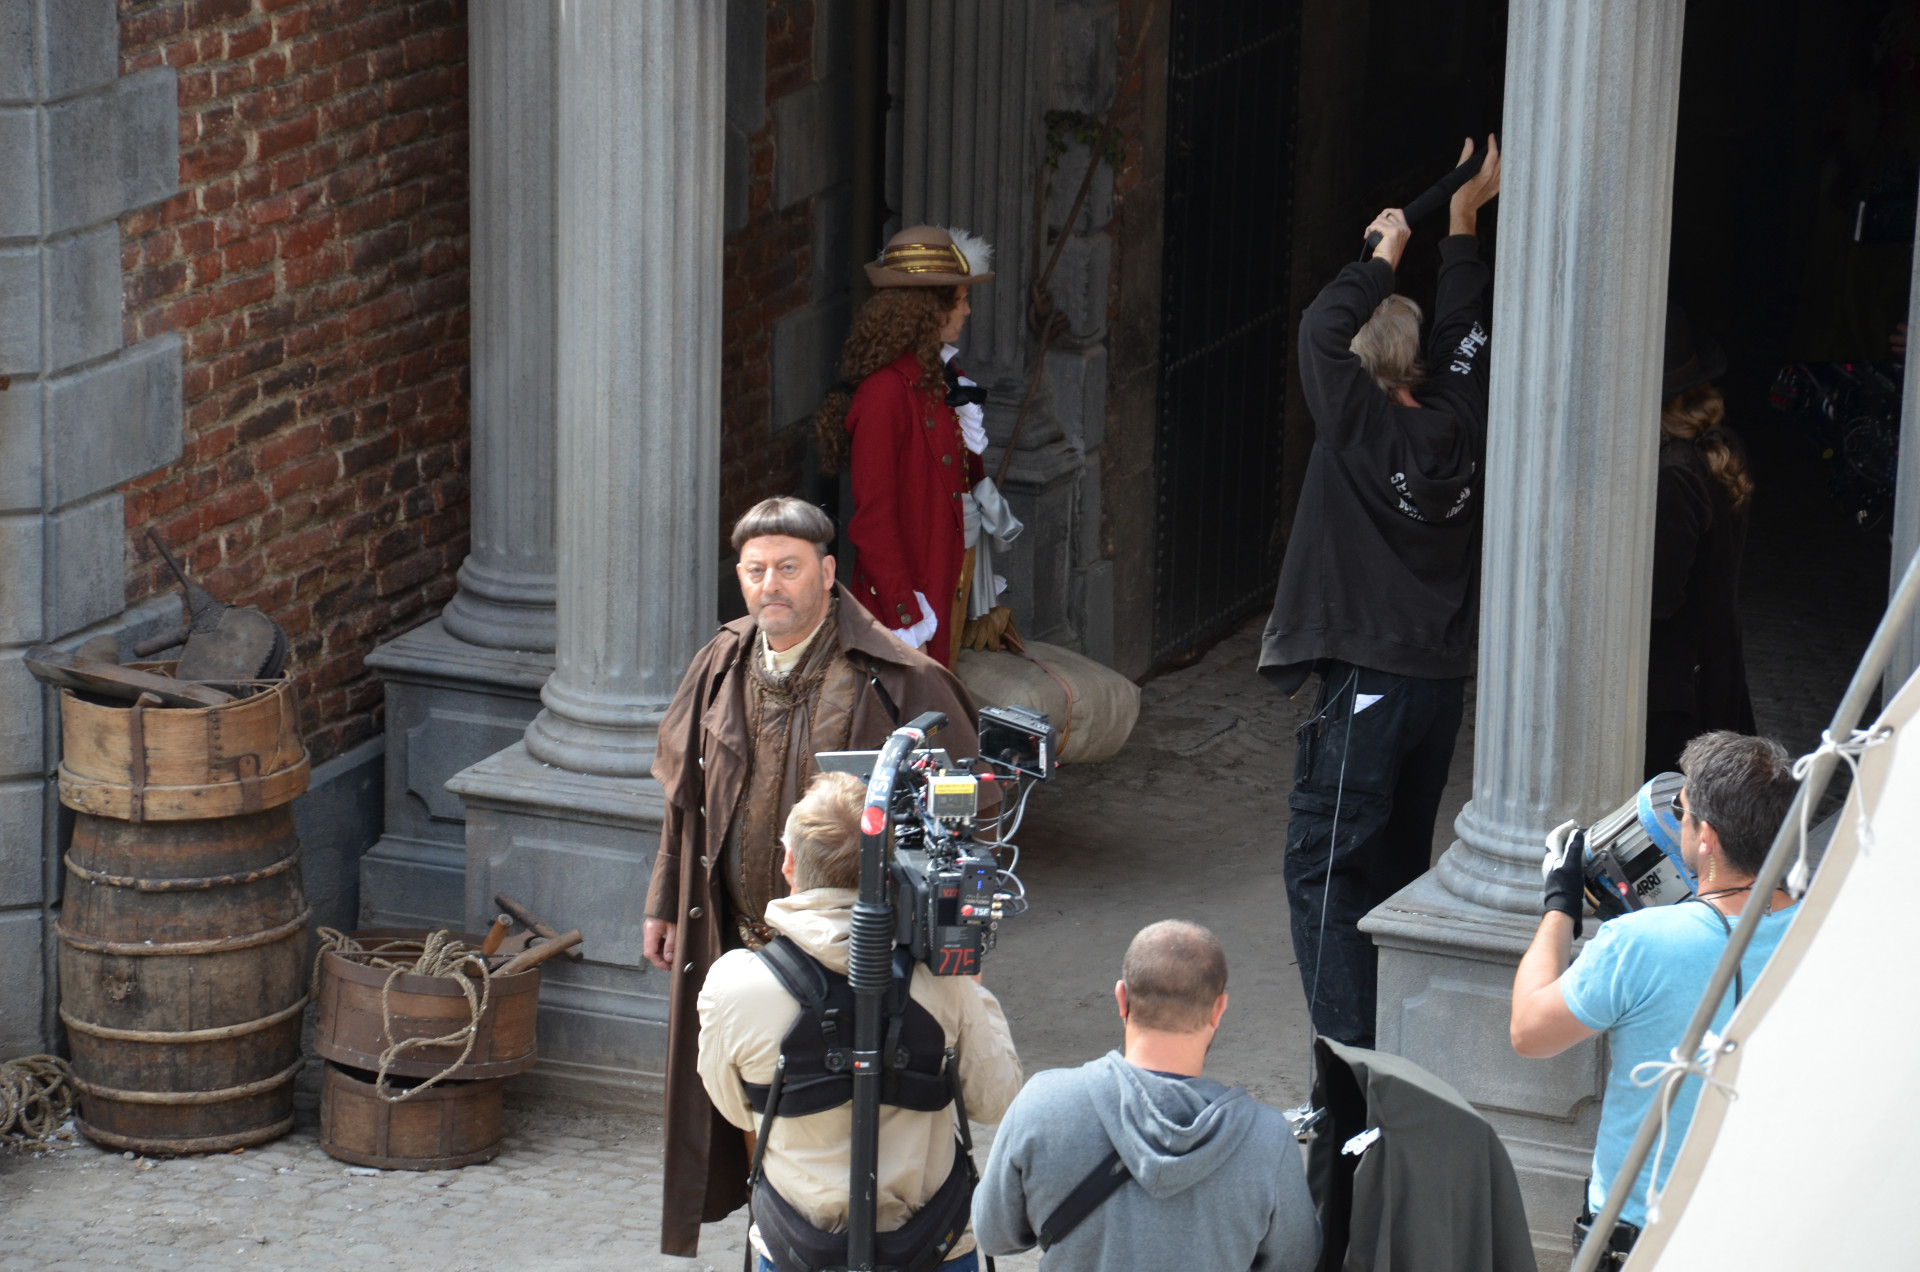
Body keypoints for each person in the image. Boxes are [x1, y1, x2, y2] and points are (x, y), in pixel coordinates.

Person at [644, 496, 987, 1257]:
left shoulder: (898, 677)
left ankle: (867, 1246)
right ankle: (782, 1240)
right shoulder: (720, 665)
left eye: (790, 568)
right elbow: (684, 802)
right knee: (753, 1107)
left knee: (862, 1119)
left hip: (862, 950)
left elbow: (971, 809)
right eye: (756, 569)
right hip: (742, 939)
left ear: (828, 574)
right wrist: (665, 900)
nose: (772, 584)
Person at [1257, 137, 1502, 1048]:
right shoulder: (1457, 424)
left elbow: (1323, 329)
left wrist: (1389, 247)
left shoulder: (1355, 423)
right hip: (1435, 690)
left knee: (1322, 873)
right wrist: (1465, 221)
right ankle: (1397, 1049)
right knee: (1398, 870)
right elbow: (1465, 335)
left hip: (1364, 685)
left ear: (1357, 373)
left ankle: (1353, 1077)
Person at [698, 771, 1023, 1272]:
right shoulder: (939, 983)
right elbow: (996, 1098)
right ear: (887, 872)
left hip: (796, 1247)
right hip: (930, 1244)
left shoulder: (732, 986)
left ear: (788, 863)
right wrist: (969, 984)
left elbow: (738, 1111)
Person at [1511, 731, 1799, 1267]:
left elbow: (1529, 1031)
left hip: (1646, 1230)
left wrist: (1559, 904)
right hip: (1773, 1222)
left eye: (1682, 810)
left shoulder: (1641, 941)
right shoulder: (1826, 928)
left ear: (1706, 836)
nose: (1677, 818)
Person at [972, 921, 1320, 1271]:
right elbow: (1297, 1259)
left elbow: (993, 1234)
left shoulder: (1042, 1104)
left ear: (1121, 998)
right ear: (1219, 1009)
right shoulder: (1267, 1140)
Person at [813, 225, 1021, 668]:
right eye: (960, 299)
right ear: (928, 309)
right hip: (907, 603)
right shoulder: (885, 395)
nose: (966, 311)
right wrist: (907, 619)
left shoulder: (938, 377)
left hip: (948, 578)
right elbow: (874, 524)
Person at [1645, 307, 1756, 777]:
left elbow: (1661, 598)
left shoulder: (1676, 472)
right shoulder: (1718, 445)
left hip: (1678, 683)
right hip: (1711, 661)